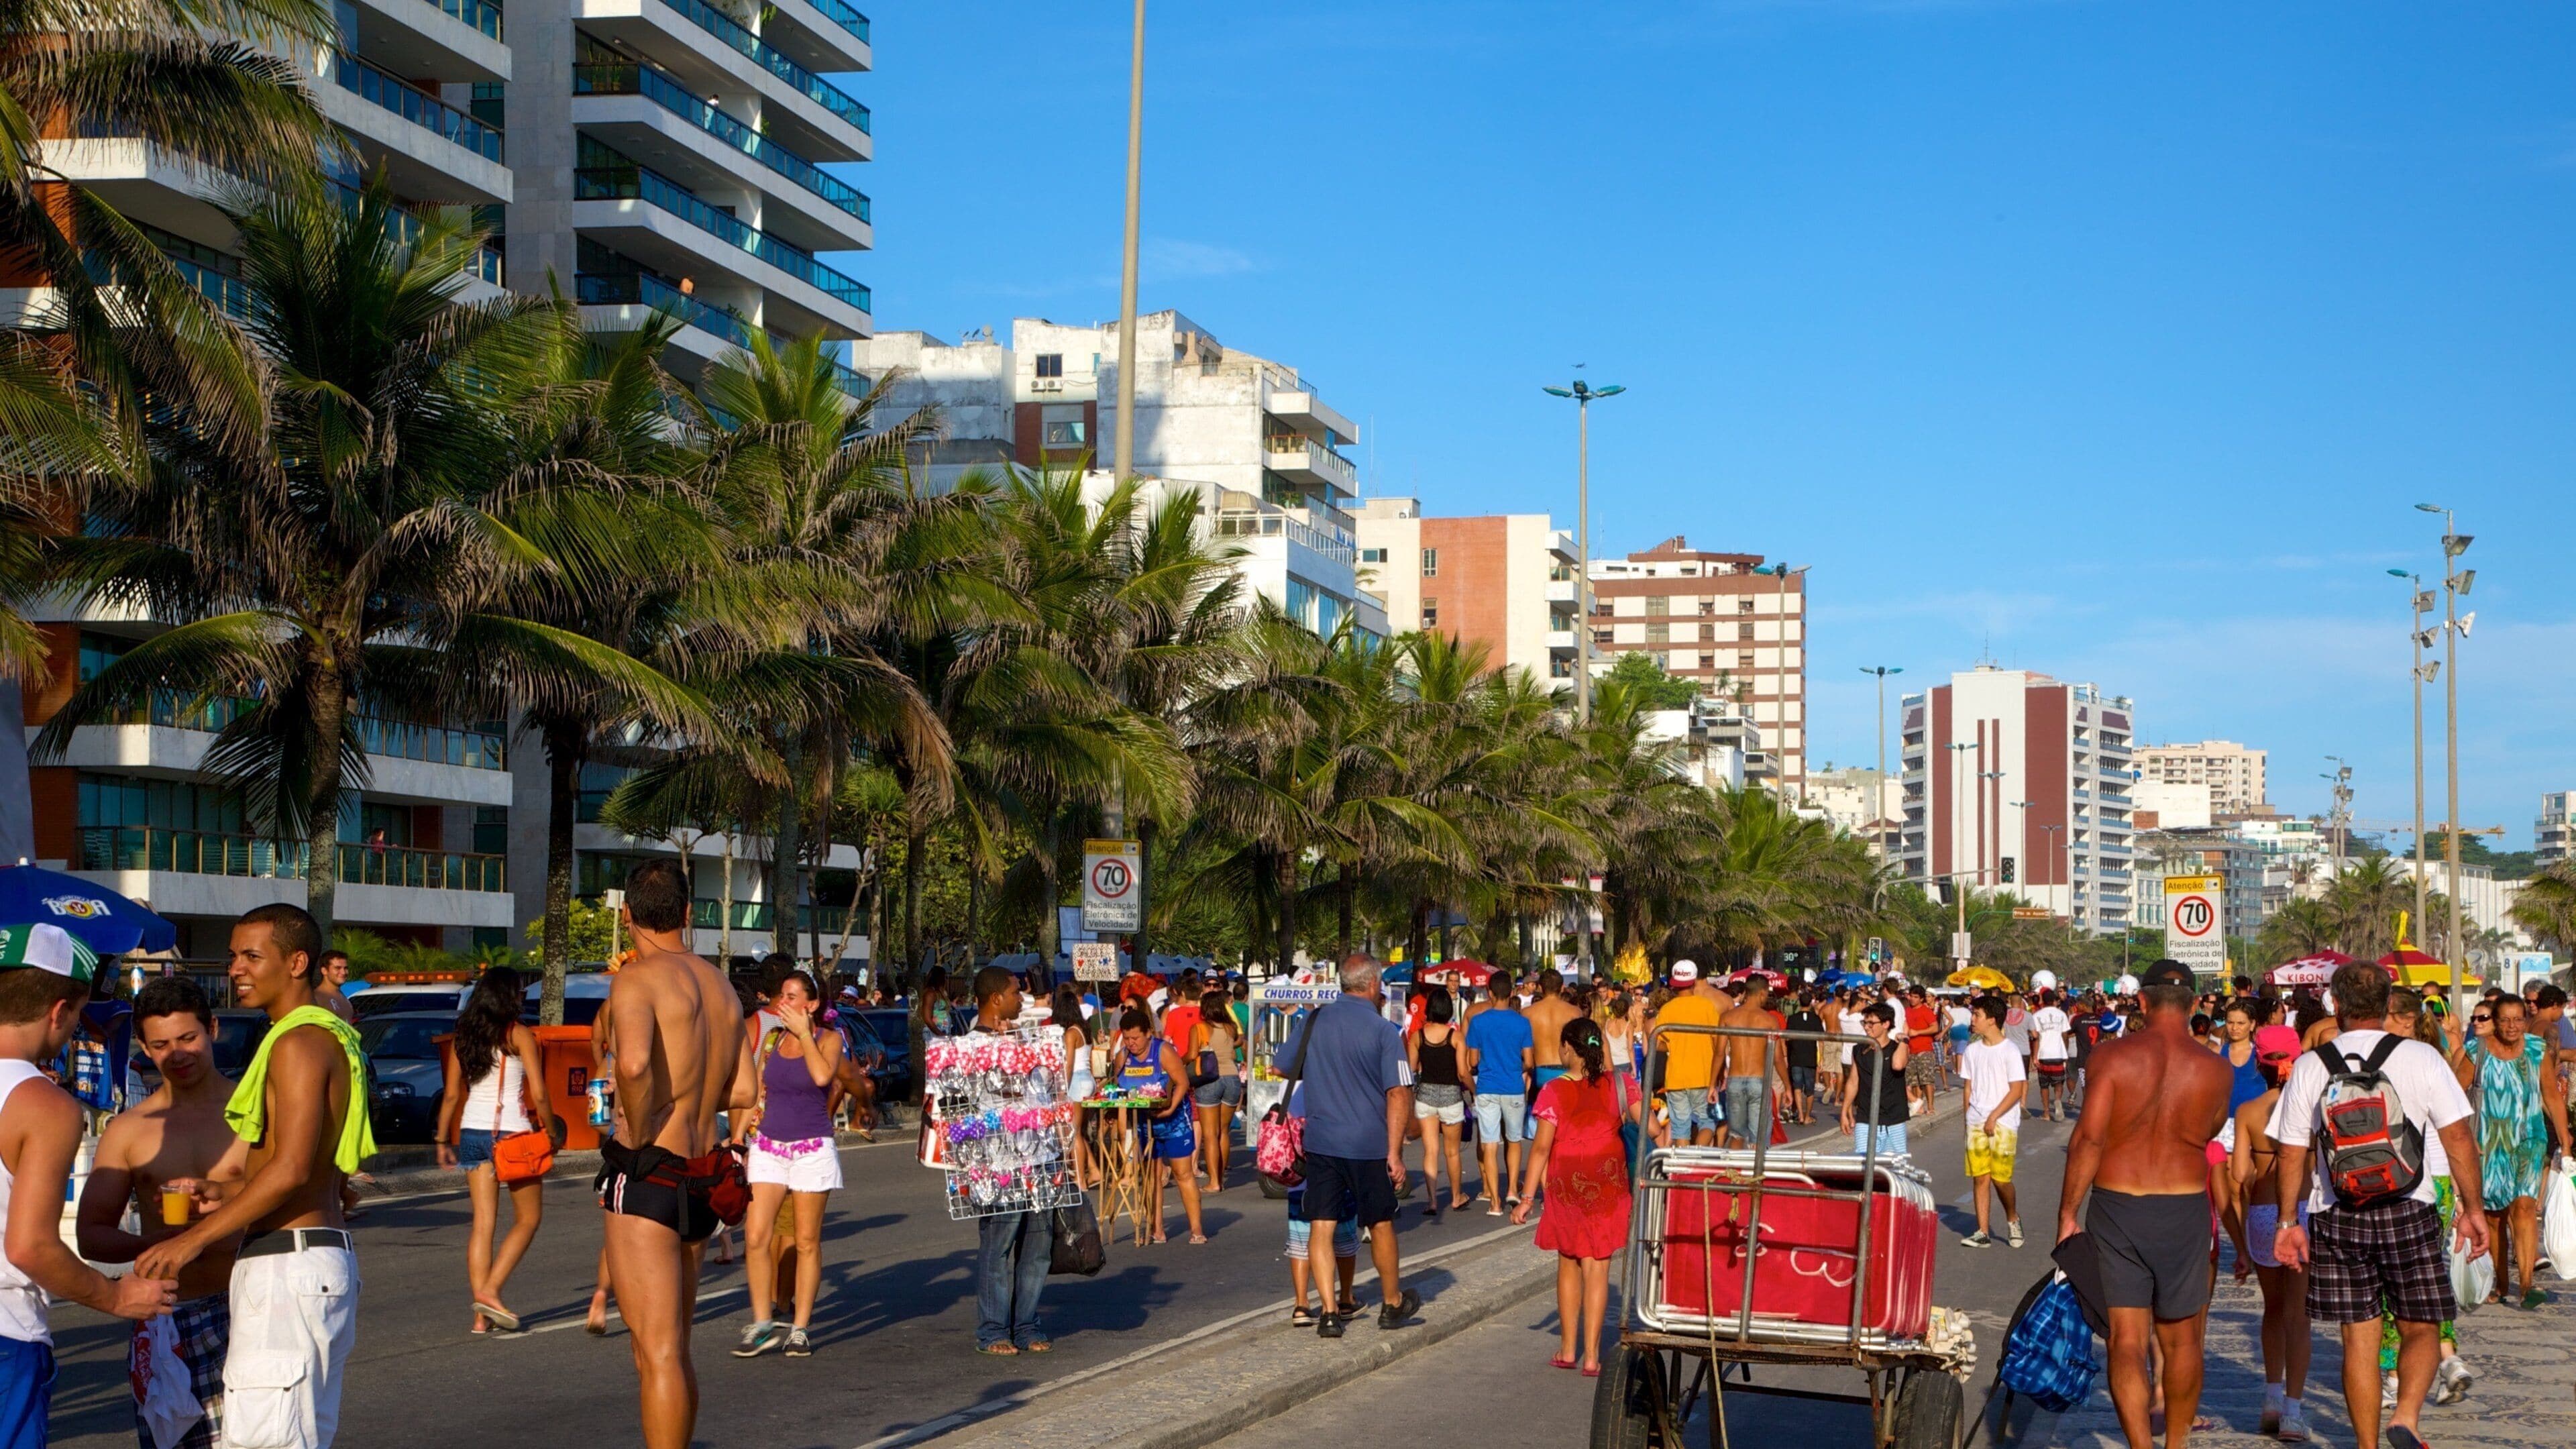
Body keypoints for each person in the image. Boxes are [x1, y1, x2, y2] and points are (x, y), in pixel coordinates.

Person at [133, 906, 368, 1449]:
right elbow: (308, 1171)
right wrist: (225, 1191)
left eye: (252, 956)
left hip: (287, 1268)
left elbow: (290, 1169)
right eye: (234, 956)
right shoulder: (321, 1034)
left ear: (297, 962)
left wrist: (191, 1241)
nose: (236, 968)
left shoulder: (298, 1042)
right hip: (307, 1259)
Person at [2270, 961, 2489, 1449]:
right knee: (2422, 1327)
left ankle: (2367, 1445)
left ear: (2337, 1004)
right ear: (2390, 1002)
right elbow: (2458, 1138)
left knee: (2359, 1340)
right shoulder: (2421, 1058)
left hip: (2337, 1212)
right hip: (2409, 1205)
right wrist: (2473, 1210)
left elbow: (2291, 1151)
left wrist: (2288, 1220)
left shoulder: (2312, 1064)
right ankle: (2407, 1416)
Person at [588, 859, 753, 1448]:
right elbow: (743, 1091)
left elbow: (631, 1064)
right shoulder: (721, 987)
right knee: (673, 1351)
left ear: (628, 915)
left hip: (652, 1166)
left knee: (655, 1353)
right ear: (688, 913)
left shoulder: (637, 979)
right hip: (703, 1170)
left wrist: (636, 1123)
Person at [10, 928, 178, 1446]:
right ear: (59, 1009)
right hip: (6, 1334)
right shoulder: (41, 1102)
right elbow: (28, 1245)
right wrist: (115, 1297)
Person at [2056, 960, 2234, 1449]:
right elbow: (2211, 1132)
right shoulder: (2217, 1070)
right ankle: (2176, 1444)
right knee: (2182, 1343)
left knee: (2126, 1341)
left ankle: (2140, 1446)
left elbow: (2089, 1139)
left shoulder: (2111, 1059)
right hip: (2183, 1209)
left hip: (2119, 1207)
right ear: (2196, 1005)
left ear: (2141, 1001)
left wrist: (2068, 1215)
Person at [78, 975, 238, 1449]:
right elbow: (92, 1234)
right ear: (146, 1049)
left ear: (213, 1028)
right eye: (162, 1044)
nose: (178, 1053)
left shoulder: (252, 1112)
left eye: (188, 1038)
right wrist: (162, 1244)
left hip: (248, 1304)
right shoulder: (129, 1130)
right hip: (168, 1314)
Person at [1297, 955, 1420, 1338]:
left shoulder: (1313, 1021)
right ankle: (1391, 1303)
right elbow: (1399, 1092)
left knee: (1322, 1224)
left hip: (1321, 1140)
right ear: (1372, 985)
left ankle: (1330, 1312)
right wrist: (1395, 1151)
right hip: (1367, 1143)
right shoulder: (1385, 1031)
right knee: (1381, 1222)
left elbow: (1284, 1066)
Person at [1511, 1018, 1635, 1376]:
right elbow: (1651, 1127)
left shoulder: (1553, 1091)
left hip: (1567, 1184)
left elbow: (1540, 1150)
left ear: (1568, 1048)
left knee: (1569, 1260)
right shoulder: (1620, 1084)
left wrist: (1526, 1198)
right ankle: (1594, 1357)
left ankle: (1568, 1350)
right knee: (1598, 1266)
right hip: (1609, 1182)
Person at [433, 967, 552, 1335]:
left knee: (483, 1225)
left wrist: (441, 1140)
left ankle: (480, 1317)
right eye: (519, 993)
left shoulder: (463, 1038)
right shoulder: (519, 1035)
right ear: (509, 997)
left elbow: (453, 1095)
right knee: (528, 1220)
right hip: (513, 1136)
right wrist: (551, 1130)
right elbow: (540, 1094)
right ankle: (490, 1291)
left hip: (472, 1132)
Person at [733, 968, 842, 1358]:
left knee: (807, 1240)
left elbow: (820, 1076)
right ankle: (762, 1322)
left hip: (812, 1148)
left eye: (793, 997)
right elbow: (756, 1093)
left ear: (811, 1005)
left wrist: (804, 1033)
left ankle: (799, 1328)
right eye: (782, 995)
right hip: (769, 1145)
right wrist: (736, 1139)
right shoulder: (772, 1041)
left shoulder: (829, 1040)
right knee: (756, 1236)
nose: (784, 1003)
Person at [961, 966, 1065, 1355]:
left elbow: (1045, 1087)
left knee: (1038, 1246)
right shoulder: (970, 1045)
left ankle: (1027, 1324)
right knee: (999, 1246)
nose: (1022, 999)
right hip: (998, 1165)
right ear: (995, 999)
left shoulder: (1024, 1038)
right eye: (1015, 993)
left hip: (1041, 1155)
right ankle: (993, 1329)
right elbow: (968, 1104)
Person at [2455, 993, 2565, 1309]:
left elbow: (2552, 1097)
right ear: (2494, 1020)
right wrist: (2462, 1136)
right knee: (2493, 1217)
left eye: (2518, 1019)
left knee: (2525, 1207)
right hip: (2488, 1143)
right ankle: (2501, 1283)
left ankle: (2527, 1284)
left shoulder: (2536, 1050)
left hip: (2530, 1139)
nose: (2512, 1025)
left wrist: (2566, 1142)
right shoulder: (2478, 1051)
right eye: (2505, 1019)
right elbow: (2454, 1094)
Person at [2232, 1024, 2311, 1442]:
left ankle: (2271, 1396)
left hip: (2263, 1215)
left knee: (2273, 1309)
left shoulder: (2247, 1112)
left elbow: (2239, 1174)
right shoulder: (2311, 1108)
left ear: (2258, 1063)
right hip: (2302, 1214)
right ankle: (2293, 1414)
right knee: (2299, 1317)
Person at [1110, 1005, 1206, 1244]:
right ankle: (1157, 1229)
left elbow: (1182, 1082)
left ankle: (1196, 1229)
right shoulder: (1123, 1056)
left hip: (1173, 1121)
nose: (1131, 1043)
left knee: (1182, 1173)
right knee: (1152, 1176)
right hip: (1143, 1121)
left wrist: (1171, 1108)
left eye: (1136, 1038)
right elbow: (1117, 1086)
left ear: (1148, 1034)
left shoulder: (1162, 1051)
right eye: (1127, 1038)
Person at [1283, 1080, 1360, 1329]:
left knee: (1300, 1239)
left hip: (1298, 1171)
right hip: (1335, 1166)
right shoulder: (1334, 1079)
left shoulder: (1289, 1081)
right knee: (1343, 1235)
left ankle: (1301, 1304)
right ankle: (1346, 1298)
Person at [1957, 994, 2027, 1248]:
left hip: (2003, 1123)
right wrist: (1967, 1120)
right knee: (1980, 1177)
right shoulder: (1972, 1050)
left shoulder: (2009, 1050)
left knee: (2001, 1178)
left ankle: (2012, 1218)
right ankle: (1982, 1231)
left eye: (1977, 1015)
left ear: (1992, 1020)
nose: (1972, 1019)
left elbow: (2016, 1090)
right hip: (1976, 1120)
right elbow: (1968, 1088)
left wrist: (1994, 1116)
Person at [1464, 981, 1535, 1212]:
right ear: (1512, 993)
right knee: (1514, 1140)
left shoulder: (1478, 1022)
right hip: (1513, 1086)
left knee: (1490, 1144)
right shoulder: (1522, 1023)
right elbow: (1530, 1061)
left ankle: (1495, 1202)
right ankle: (1513, 1189)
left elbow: (1473, 1061)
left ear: (1490, 993)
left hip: (1487, 1087)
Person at [1408, 989, 1468, 1219]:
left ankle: (1432, 1201)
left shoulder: (1418, 1037)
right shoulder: (1456, 1037)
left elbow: (1412, 1069)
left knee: (1430, 1151)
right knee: (1452, 1152)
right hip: (1451, 1096)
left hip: (1426, 1096)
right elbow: (1462, 1072)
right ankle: (1456, 1197)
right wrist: (1473, 1090)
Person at [1651, 961, 1722, 1148]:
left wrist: (1677, 1044)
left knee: (1681, 1127)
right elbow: (1718, 1044)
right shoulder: (1706, 1007)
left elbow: (1660, 1044)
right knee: (1708, 1122)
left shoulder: (1667, 1010)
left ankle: (1683, 1166)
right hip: (1703, 1075)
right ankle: (1698, 1154)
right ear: (1694, 982)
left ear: (1674, 984)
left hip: (1676, 1078)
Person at [1717, 975, 1787, 1149]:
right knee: (1759, 1137)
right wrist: (1788, 1086)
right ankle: (1756, 1174)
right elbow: (1778, 1058)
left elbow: (1719, 1053)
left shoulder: (1728, 1017)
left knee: (1737, 1135)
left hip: (1735, 1079)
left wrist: (1713, 1084)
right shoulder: (1769, 1020)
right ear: (1763, 993)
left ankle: (1736, 1174)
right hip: (1758, 1080)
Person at [1840, 1002, 1912, 1157]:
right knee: (1865, 1169)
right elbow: (1853, 1081)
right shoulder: (1859, 1049)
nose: (1866, 1027)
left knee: (1894, 1170)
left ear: (1886, 1024)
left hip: (1893, 1120)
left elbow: (1898, 1065)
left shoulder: (1897, 1048)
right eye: (1864, 1022)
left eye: (1871, 1023)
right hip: (1866, 1118)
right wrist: (1845, 1110)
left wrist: (1904, 1041)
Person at [1191, 987, 1240, 1192]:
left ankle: (1214, 1182)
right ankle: (1221, 1176)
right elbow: (1237, 1046)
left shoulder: (1199, 1028)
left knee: (1210, 1134)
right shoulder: (1230, 1028)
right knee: (1223, 1132)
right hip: (1232, 1078)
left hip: (1210, 1080)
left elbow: (1192, 1054)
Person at [1053, 986, 1096, 1191]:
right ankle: (1092, 1170)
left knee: (1074, 1133)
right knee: (1079, 1132)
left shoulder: (1071, 1033)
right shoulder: (1084, 1028)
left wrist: (1062, 1087)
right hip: (1088, 1079)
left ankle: (1080, 1179)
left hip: (1076, 1081)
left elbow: (1068, 1064)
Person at [1525, 969, 1580, 1094]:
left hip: (1540, 1072)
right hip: (1566, 1072)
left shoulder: (1527, 1013)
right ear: (1562, 988)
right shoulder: (1575, 1012)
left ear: (1540, 987)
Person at [2030, 991, 2074, 1121]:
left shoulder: (2037, 1015)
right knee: (2058, 1082)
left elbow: (2035, 1037)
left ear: (2043, 1000)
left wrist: (2034, 1056)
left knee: (2044, 1085)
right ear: (2055, 1001)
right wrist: (2065, 1050)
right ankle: (2058, 1100)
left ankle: (2046, 1113)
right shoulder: (2062, 1015)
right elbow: (2065, 1035)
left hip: (2043, 1055)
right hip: (2058, 1054)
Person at [1783, 993, 1822, 1126]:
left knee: (1797, 1087)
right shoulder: (1815, 1019)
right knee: (1810, 1089)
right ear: (1811, 1003)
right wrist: (1820, 1058)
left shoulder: (1792, 1019)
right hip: (1810, 1056)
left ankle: (1799, 1114)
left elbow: (1787, 1037)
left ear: (1799, 1002)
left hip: (1796, 1056)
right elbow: (1821, 1039)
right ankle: (1807, 1116)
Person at [1904, 989, 1942, 1116]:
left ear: (1921, 999)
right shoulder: (1907, 1010)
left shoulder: (1926, 1011)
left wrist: (1918, 1032)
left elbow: (1935, 1027)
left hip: (1924, 1049)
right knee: (1914, 1080)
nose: (1912, 999)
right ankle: (1918, 1106)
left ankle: (1931, 1106)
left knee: (1927, 1080)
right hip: (1911, 1049)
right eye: (1911, 996)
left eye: (1916, 997)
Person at [314, 949, 355, 1024]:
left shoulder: (344, 998)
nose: (343, 972)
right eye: (337, 968)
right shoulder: (317, 998)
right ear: (324, 971)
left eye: (346, 968)